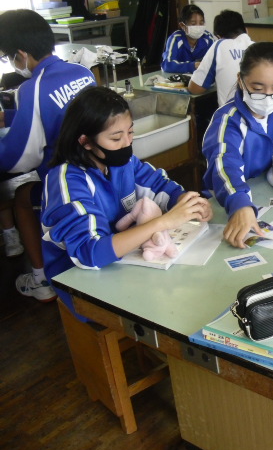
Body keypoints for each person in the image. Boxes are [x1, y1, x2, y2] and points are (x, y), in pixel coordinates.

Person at [41, 87, 212, 321]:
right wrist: (164, 221)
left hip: (124, 260)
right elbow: (90, 253)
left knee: (189, 291)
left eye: (130, 132)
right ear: (85, 141)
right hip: (81, 280)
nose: (126, 143)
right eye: (115, 138)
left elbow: (160, 185)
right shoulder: (67, 181)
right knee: (169, 309)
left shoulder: (123, 162)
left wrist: (187, 201)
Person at [0, 9, 96, 302]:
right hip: (96, 173)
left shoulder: (32, 88)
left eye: (8, 57)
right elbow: (62, 111)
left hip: (68, 185)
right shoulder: (83, 73)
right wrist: (12, 117)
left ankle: (41, 281)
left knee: (22, 196)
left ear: (21, 54)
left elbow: (20, 158)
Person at [201, 42, 273, 248]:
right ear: (241, 80)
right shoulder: (228, 119)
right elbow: (225, 166)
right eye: (257, 89)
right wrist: (240, 204)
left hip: (263, 190)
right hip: (227, 196)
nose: (268, 98)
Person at [188, 10, 253, 107]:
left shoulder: (219, 46)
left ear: (218, 37)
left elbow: (195, 88)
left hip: (231, 114)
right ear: (246, 30)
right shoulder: (258, 48)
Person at [161, 4, 216, 74]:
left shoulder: (207, 38)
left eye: (201, 23)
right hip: (178, 77)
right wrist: (193, 66)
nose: (198, 27)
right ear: (182, 25)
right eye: (193, 24)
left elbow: (216, 60)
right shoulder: (176, 39)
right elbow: (167, 65)